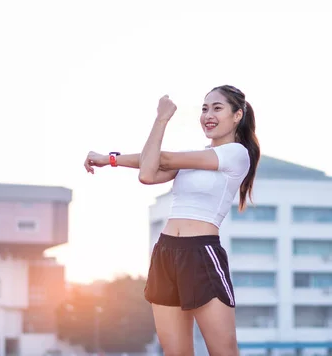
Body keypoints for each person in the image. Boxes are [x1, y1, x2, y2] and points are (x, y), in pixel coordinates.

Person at [83, 85, 260, 356]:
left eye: (217, 108)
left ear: (237, 116)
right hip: (165, 253)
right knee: (175, 352)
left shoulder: (235, 154)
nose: (207, 114)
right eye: (204, 108)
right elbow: (151, 171)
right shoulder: (195, 157)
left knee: (224, 351)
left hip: (201, 254)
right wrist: (109, 159)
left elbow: (158, 161)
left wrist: (161, 118)